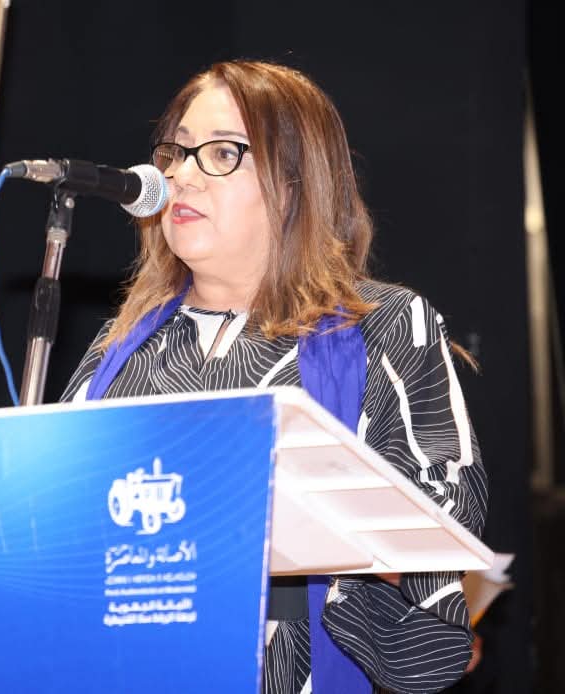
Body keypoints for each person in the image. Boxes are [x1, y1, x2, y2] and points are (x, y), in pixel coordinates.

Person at [61, 61, 488, 693]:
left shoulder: (385, 326)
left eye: (222, 153)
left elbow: (438, 539)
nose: (181, 176)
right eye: (175, 152)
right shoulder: (119, 346)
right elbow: (57, 536)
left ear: (295, 183)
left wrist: (302, 537)